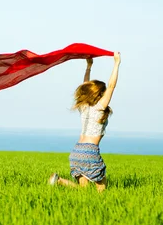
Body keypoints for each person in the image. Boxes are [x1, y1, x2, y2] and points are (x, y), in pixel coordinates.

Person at [49, 51, 121, 192]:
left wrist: (89, 66)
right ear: (100, 95)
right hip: (90, 151)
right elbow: (112, 86)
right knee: (101, 191)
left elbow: (85, 85)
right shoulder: (100, 108)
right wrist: (116, 63)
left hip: (76, 152)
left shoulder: (84, 107)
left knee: (83, 191)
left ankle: (59, 181)